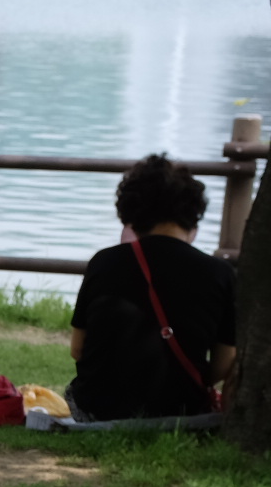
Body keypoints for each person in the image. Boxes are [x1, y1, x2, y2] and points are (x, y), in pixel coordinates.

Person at [67, 154, 235, 421]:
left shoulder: (104, 262)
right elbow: (223, 364)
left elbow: (78, 349)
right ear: (193, 212)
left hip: (98, 411)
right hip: (182, 411)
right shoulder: (220, 273)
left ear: (130, 213)